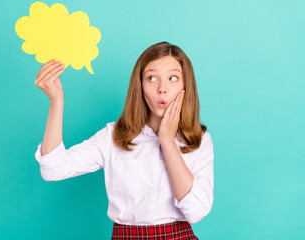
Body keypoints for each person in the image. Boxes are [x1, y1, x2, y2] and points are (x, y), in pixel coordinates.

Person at [34, 41, 214, 240]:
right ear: (140, 86)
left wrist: (168, 141)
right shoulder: (113, 136)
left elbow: (196, 212)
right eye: (151, 78)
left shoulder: (198, 140)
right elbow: (53, 169)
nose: (162, 89)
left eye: (173, 78)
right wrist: (57, 100)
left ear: (185, 85)